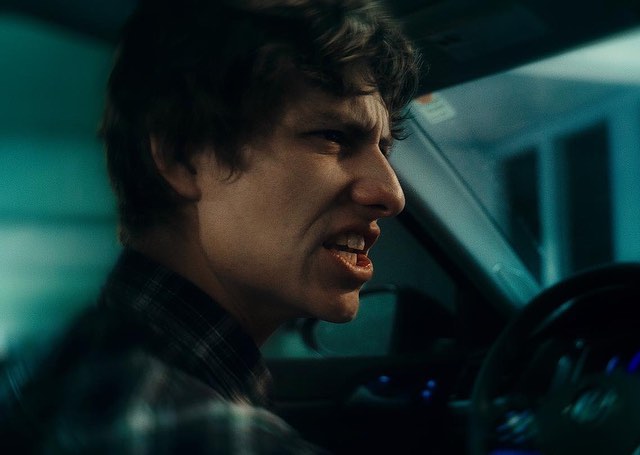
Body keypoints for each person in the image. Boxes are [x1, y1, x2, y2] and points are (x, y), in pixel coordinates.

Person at [0, 0, 420, 452]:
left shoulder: (49, 365)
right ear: (182, 157)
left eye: (383, 149)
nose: (391, 194)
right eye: (333, 137)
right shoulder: (215, 437)